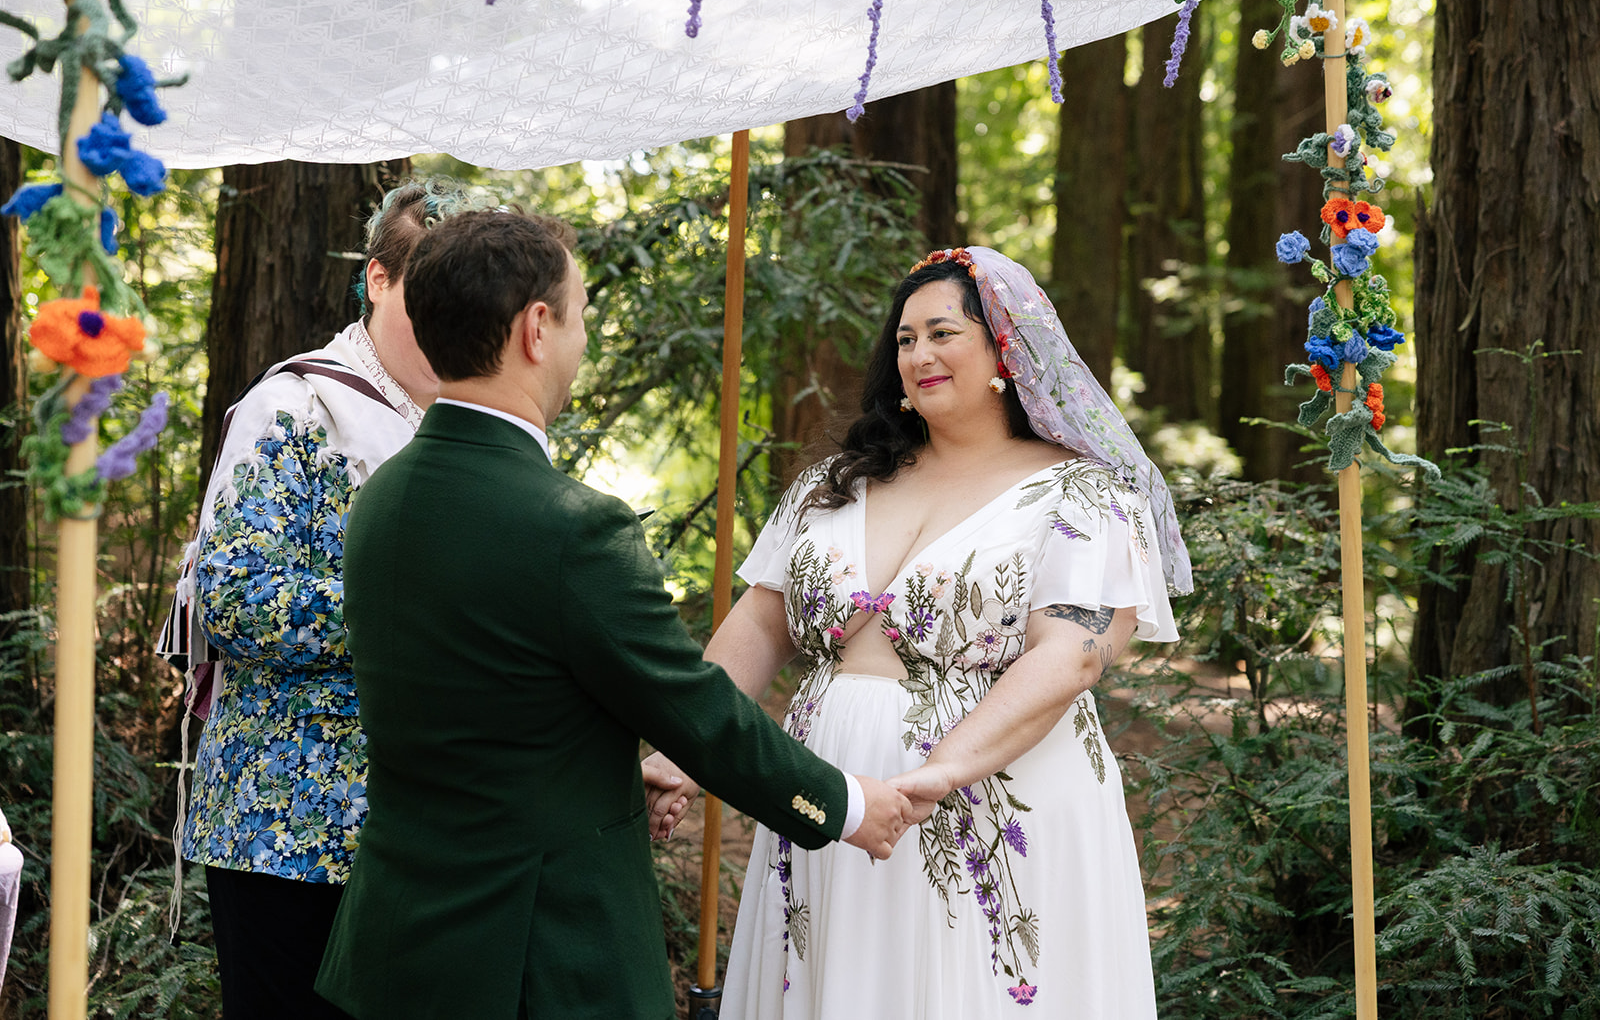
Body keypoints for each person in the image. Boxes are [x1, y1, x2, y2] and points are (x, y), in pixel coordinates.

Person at [313, 209, 913, 1020]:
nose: (583, 342)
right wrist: (843, 804)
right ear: (536, 329)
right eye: (581, 316)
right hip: (537, 960)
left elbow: (482, 711)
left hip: (395, 951)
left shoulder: (381, 496)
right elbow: (701, 715)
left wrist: (601, 770)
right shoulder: (570, 525)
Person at [645, 246, 1193, 1019]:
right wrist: (686, 746)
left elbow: (1071, 655)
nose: (919, 355)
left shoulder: (1081, 493)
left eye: (943, 332)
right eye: (904, 340)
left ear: (1006, 346)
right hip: (827, 798)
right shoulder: (833, 485)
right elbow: (761, 622)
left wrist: (937, 772)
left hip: (985, 800)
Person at [158, 178, 482, 1020]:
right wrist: (415, 617)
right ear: (378, 279)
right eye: (429, 286)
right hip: (287, 828)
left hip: (425, 827)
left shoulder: (476, 425)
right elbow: (234, 595)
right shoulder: (295, 406)